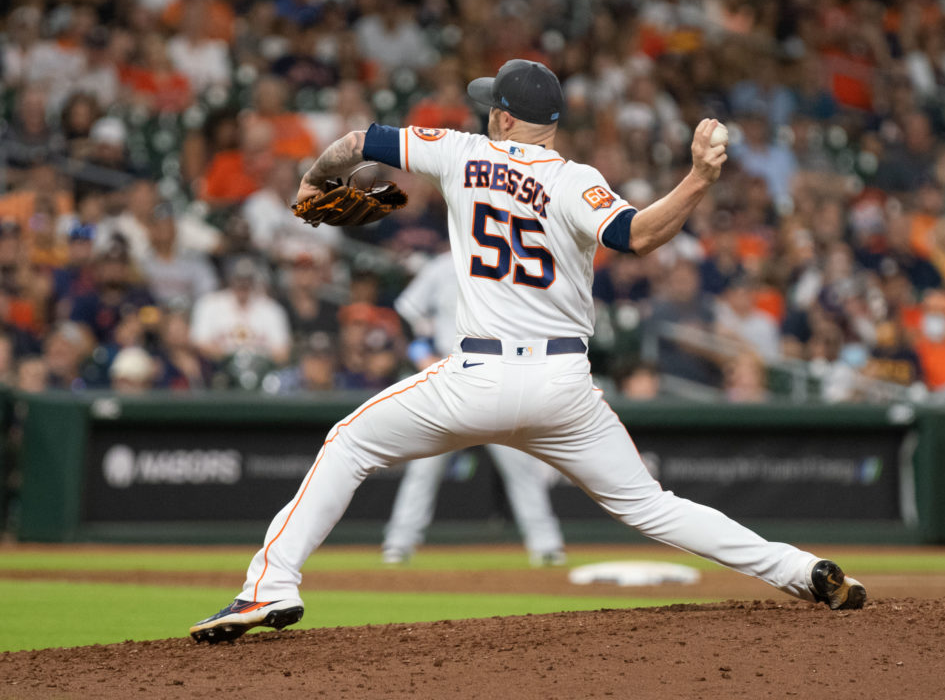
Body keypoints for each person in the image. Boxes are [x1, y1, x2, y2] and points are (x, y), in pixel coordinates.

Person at [190, 59, 866, 645]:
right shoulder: (576, 179)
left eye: (493, 106)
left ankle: (270, 586)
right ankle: (799, 570)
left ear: (507, 118)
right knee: (653, 506)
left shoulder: (456, 152)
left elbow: (354, 141)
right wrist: (695, 181)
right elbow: (636, 235)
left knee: (348, 444)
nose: (486, 114)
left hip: (476, 377)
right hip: (563, 387)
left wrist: (312, 191)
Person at [380, 250, 566, 567]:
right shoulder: (441, 266)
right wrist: (421, 351)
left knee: (520, 467)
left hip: (499, 379)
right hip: (449, 378)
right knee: (424, 467)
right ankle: (399, 542)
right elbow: (405, 313)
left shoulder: (514, 264)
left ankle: (545, 543)